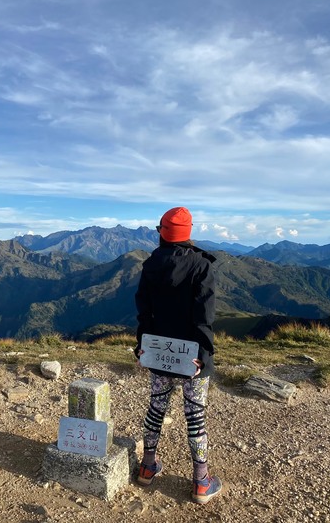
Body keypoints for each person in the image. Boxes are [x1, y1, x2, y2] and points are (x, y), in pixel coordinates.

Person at [133, 206, 222, 504]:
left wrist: (142, 346)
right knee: (195, 415)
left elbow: (144, 312)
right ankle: (200, 482)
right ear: (188, 232)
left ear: (163, 232)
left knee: (156, 408)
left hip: (158, 352)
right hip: (190, 356)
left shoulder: (150, 265)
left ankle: (147, 467)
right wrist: (204, 357)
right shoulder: (202, 266)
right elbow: (203, 317)